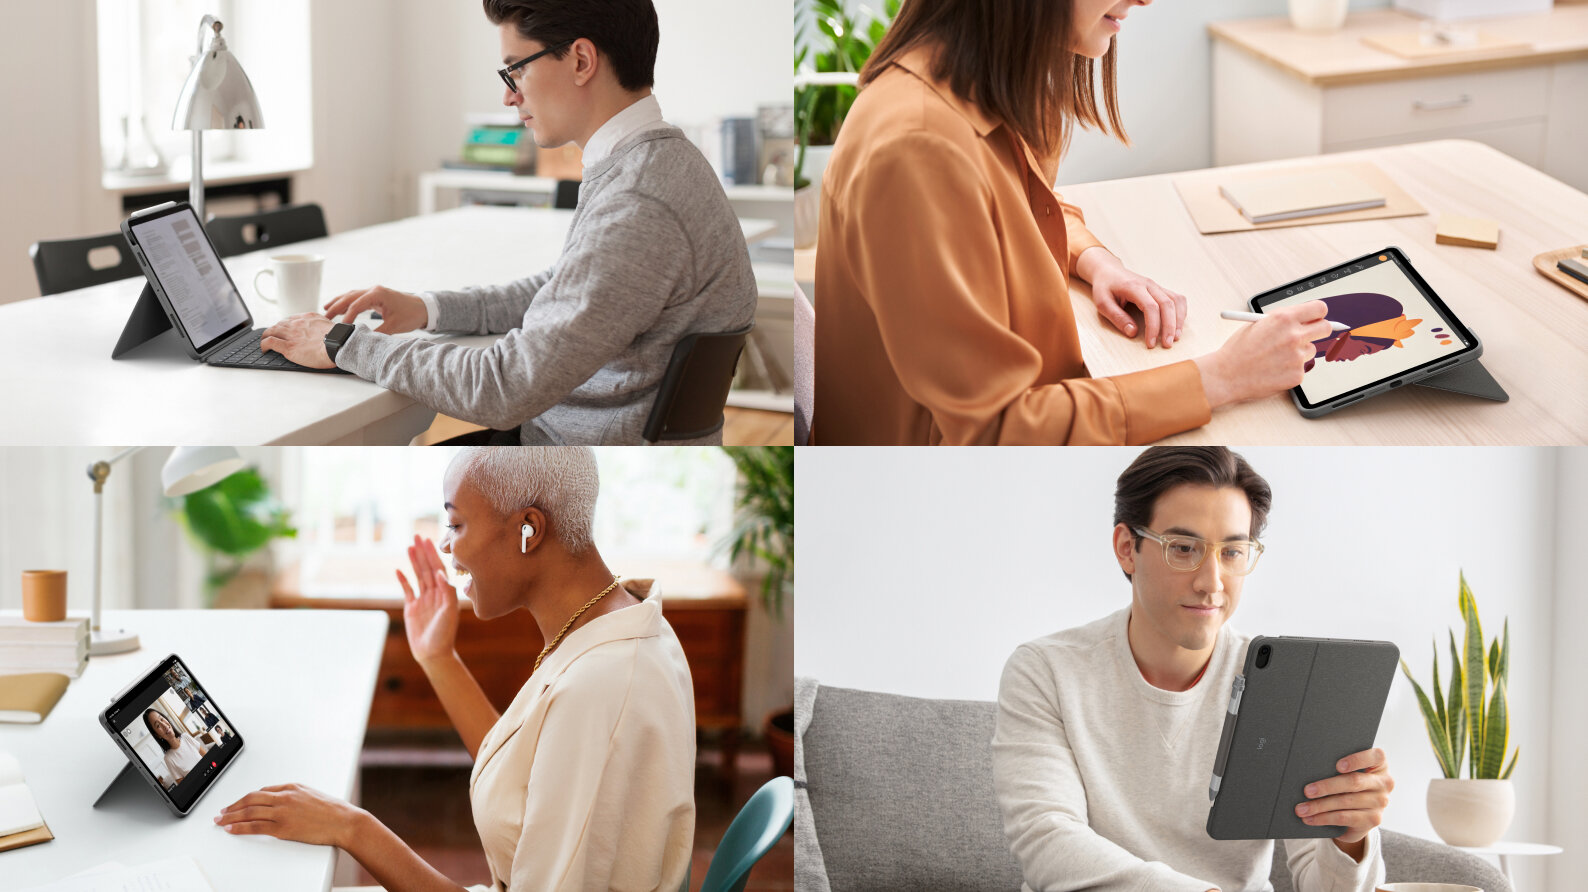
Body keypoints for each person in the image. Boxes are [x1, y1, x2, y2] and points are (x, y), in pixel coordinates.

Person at [813, 0, 1334, 444]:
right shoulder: (916, 148)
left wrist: (1094, 260)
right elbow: (997, 430)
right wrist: (1220, 378)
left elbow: (1006, 201)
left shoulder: (973, 87)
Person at [257, 0, 756, 445]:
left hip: (562, 451)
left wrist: (342, 343)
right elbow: (566, 288)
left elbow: (504, 387)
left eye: (516, 68)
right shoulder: (656, 163)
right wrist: (429, 309)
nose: (509, 96)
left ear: (581, 60)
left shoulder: (640, 200)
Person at [216, 447, 697, 892]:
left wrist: (352, 827)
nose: (446, 546)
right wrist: (437, 657)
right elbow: (524, 769)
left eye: (457, 524)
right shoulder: (622, 619)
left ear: (528, 529)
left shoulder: (600, 688)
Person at [993, 447, 1393, 891]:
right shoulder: (1046, 671)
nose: (1211, 583)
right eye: (1183, 548)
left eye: (1233, 552)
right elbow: (1048, 843)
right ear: (1128, 549)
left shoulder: (1284, 687)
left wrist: (1350, 840)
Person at [143, 708, 207, 787]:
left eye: (162, 719)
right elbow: (185, 787)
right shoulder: (168, 758)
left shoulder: (186, 737)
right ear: (157, 735)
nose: (164, 725)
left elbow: (207, 757)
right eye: (158, 725)